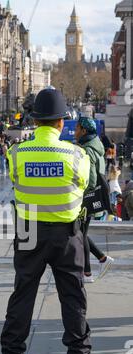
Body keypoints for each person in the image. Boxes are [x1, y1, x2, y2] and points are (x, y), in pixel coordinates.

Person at [0, 88, 94, 354]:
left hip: (29, 232)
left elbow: (15, 181)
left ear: (36, 121)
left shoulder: (16, 153)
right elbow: (84, 185)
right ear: (61, 123)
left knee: (23, 294)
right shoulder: (77, 155)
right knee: (73, 296)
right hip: (67, 234)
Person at [75, 117, 114, 283]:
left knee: (80, 233)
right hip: (94, 197)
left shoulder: (87, 150)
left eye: (77, 128)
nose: (75, 131)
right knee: (81, 232)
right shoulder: (95, 145)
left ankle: (87, 273)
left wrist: (78, 190)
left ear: (84, 131)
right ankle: (102, 259)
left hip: (86, 198)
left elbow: (90, 180)